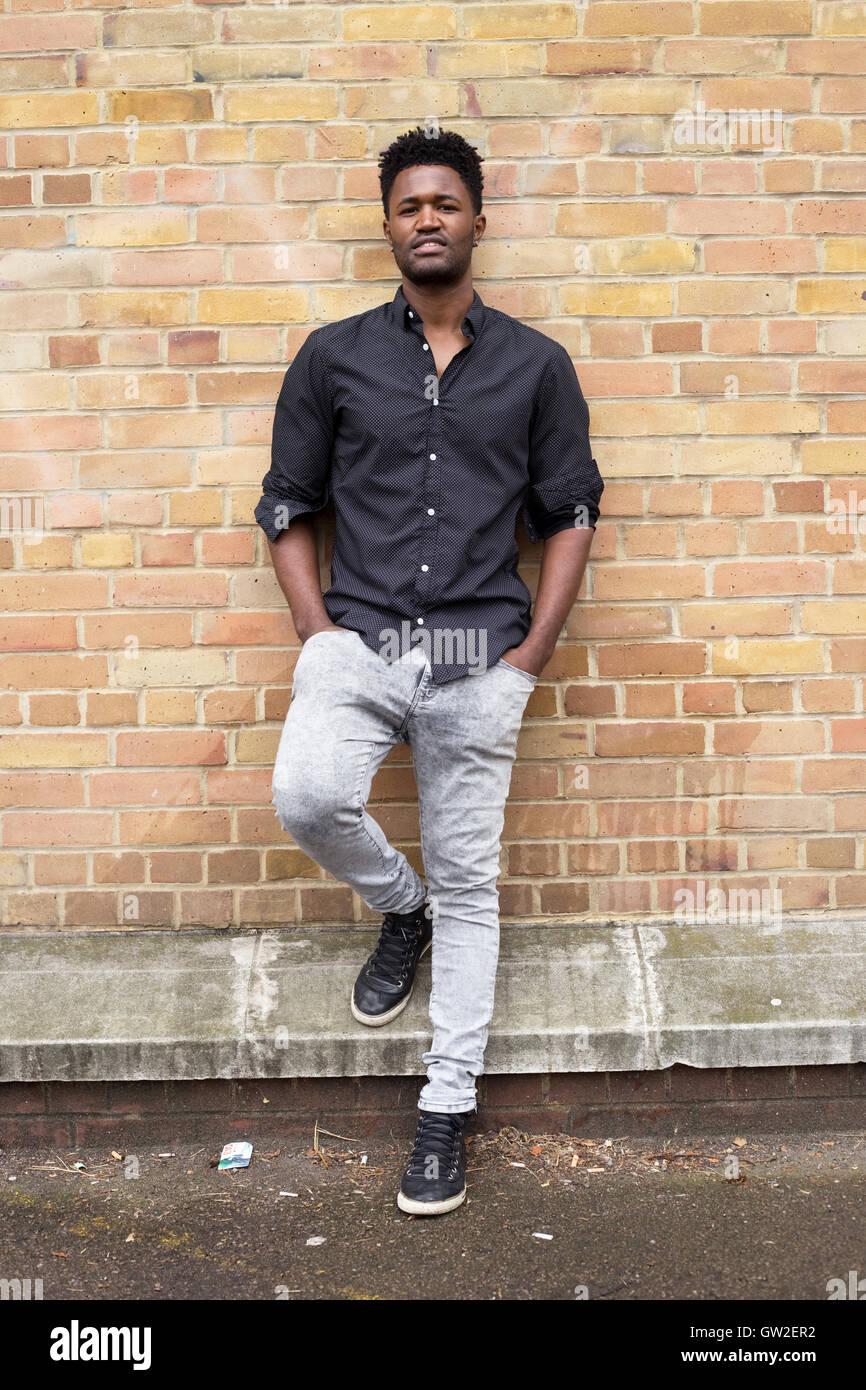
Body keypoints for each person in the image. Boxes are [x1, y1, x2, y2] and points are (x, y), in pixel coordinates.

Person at [255, 126, 604, 1216]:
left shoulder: (536, 365)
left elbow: (571, 516)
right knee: (306, 794)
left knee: (473, 886)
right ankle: (394, 907)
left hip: (475, 660)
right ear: (388, 223)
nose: (426, 220)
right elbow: (283, 505)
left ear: (476, 220)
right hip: (359, 646)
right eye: (408, 205)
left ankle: (445, 1108)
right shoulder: (334, 355)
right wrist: (318, 636)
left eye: (444, 203)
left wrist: (526, 663)